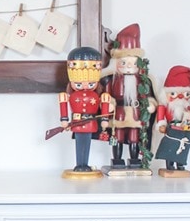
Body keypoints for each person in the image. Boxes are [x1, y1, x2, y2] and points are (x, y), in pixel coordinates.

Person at [99, 23, 156, 170]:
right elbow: (106, 95)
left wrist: (150, 103)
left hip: (136, 113)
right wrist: (109, 102)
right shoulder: (111, 79)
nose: (128, 66)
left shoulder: (143, 80)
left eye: (132, 63)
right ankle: (117, 160)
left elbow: (148, 95)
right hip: (118, 112)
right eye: (124, 63)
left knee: (134, 137)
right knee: (117, 136)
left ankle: (135, 159)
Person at [57, 46, 110, 177]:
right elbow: (64, 107)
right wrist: (64, 120)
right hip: (77, 122)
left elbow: (104, 108)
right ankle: (79, 164)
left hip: (90, 122)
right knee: (79, 144)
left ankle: (84, 164)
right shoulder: (70, 96)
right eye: (79, 84)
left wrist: (104, 119)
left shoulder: (98, 96)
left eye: (91, 83)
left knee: (87, 144)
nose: (85, 86)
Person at [155, 65, 190, 176]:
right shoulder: (164, 106)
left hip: (184, 129)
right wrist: (161, 125)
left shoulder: (189, 109)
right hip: (171, 128)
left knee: (184, 147)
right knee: (170, 146)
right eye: (174, 94)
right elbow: (161, 117)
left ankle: (180, 164)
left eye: (185, 94)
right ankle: (169, 165)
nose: (180, 97)